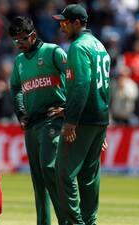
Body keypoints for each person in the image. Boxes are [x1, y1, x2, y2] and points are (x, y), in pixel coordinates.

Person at [52, 4, 110, 225]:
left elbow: (82, 84)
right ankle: (90, 221)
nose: (61, 26)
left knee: (63, 172)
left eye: (65, 22)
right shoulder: (99, 46)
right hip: (99, 118)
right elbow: (102, 86)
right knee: (88, 176)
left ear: (78, 23)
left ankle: (76, 223)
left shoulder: (78, 47)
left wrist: (71, 120)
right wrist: (102, 123)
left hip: (83, 120)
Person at [8, 16, 68, 225]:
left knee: (48, 167)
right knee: (38, 180)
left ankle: (67, 220)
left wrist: (69, 108)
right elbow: (15, 88)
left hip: (52, 119)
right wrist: (20, 112)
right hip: (31, 124)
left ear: (33, 35)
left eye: (22, 40)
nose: (19, 44)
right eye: (15, 41)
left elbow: (73, 76)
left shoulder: (53, 52)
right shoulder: (19, 62)